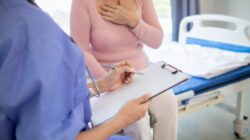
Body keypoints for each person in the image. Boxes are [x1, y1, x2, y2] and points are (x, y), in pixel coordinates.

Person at [0, 0, 151, 140]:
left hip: (136, 73)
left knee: (167, 103)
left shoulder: (11, 17)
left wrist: (103, 83)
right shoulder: (35, 34)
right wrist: (122, 119)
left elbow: (28, 94)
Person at [70, 0, 178, 139]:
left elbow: (157, 41)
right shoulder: (82, 2)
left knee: (169, 104)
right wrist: (108, 80)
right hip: (107, 78)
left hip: (142, 73)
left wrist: (134, 22)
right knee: (138, 123)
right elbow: (81, 49)